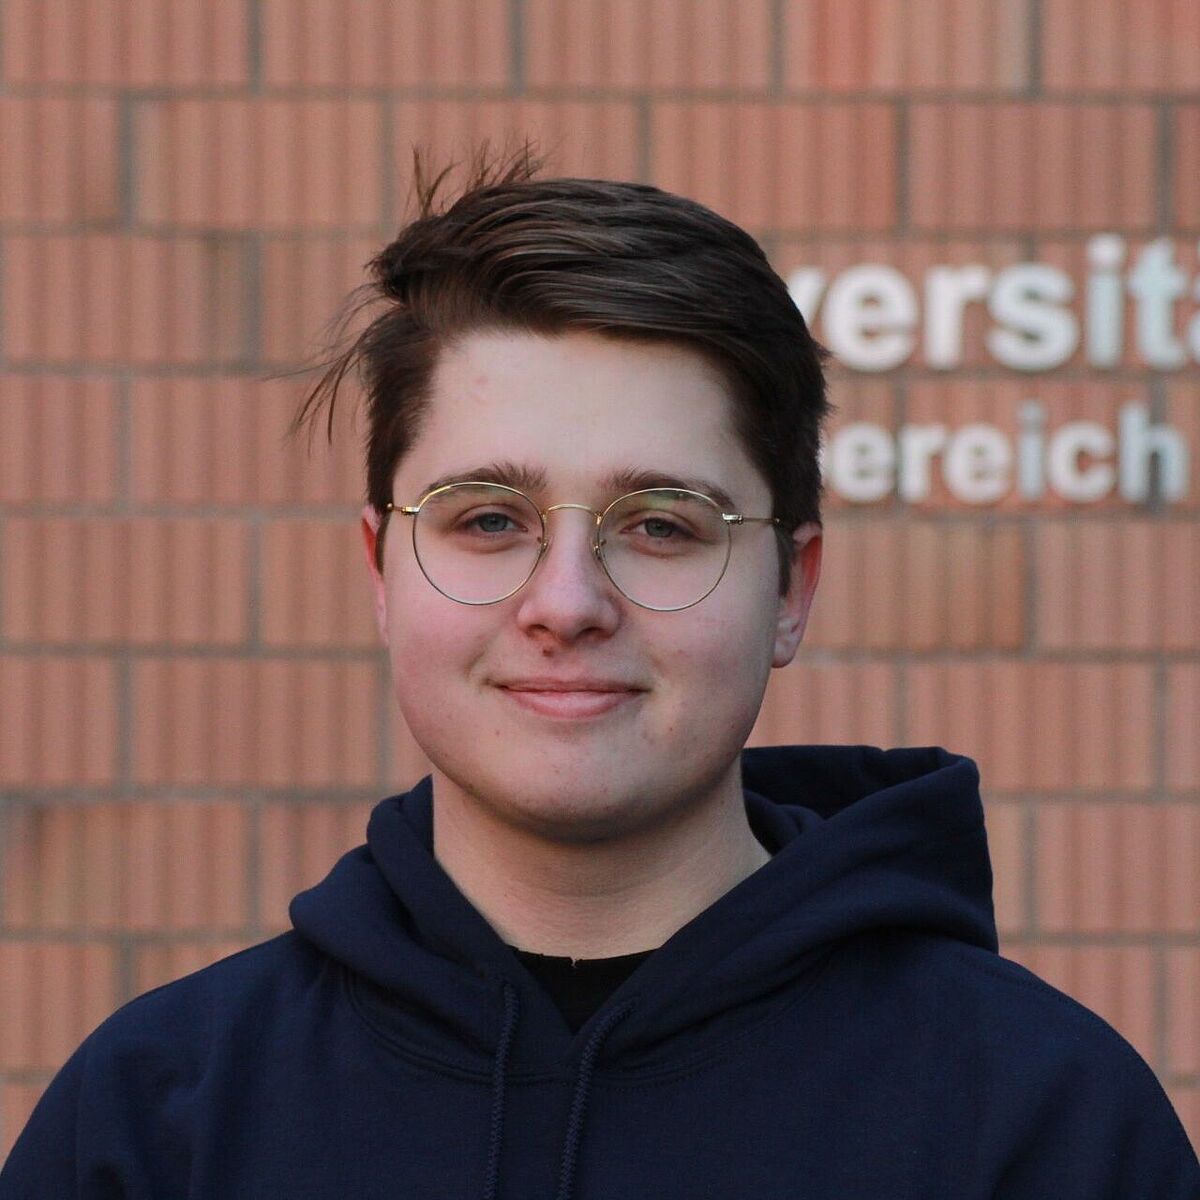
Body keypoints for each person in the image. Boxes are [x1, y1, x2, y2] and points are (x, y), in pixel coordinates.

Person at [3, 147, 1197, 1199]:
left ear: (791, 589)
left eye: (662, 525)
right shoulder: (155, 1122)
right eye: (486, 520)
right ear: (381, 569)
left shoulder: (1043, 1124)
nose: (567, 603)